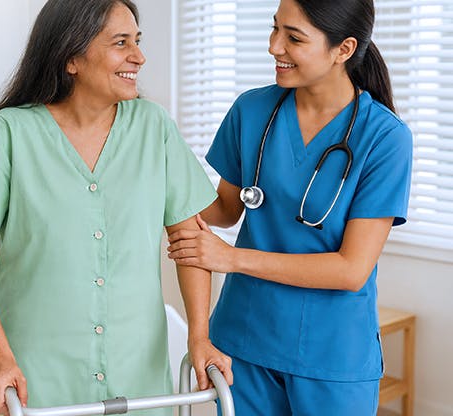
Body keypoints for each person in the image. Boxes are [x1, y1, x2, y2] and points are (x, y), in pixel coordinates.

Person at [0, 1, 233, 415]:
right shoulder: (8, 133)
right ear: (71, 57)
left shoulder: (154, 127)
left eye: (138, 41)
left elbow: (190, 239)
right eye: (121, 43)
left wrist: (199, 336)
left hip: (140, 384)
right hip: (33, 385)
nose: (139, 56)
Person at [166, 0, 413, 414]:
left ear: (344, 49)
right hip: (244, 344)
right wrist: (161, 181)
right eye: (275, 29)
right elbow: (225, 208)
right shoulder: (252, 110)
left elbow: (351, 270)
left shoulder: (384, 138)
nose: (274, 46)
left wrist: (233, 259)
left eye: (294, 37)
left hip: (331, 355)